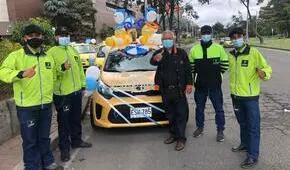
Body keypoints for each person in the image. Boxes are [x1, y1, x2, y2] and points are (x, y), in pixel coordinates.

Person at [0, 24, 63, 170]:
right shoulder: (16, 56)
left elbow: (53, 77)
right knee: (30, 140)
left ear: (42, 37)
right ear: (25, 38)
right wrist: (21, 74)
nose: (35, 38)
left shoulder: (48, 57)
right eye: (31, 35)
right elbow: (2, 72)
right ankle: (32, 166)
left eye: (38, 35)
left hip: (46, 105)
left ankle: (48, 163)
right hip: (27, 107)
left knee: (44, 137)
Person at [228, 27, 272, 169]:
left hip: (250, 97)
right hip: (236, 96)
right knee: (242, 123)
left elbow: (267, 68)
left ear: (244, 37)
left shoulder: (253, 53)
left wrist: (263, 73)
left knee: (253, 126)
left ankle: (252, 155)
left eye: (238, 36)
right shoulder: (231, 55)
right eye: (233, 37)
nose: (236, 39)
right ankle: (244, 144)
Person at [47, 27, 92, 162]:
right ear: (56, 37)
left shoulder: (73, 50)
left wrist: (83, 85)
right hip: (62, 94)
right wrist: (61, 68)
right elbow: (50, 74)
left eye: (66, 35)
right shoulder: (51, 53)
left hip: (76, 91)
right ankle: (64, 150)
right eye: (62, 35)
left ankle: (77, 141)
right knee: (64, 123)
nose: (65, 37)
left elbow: (79, 70)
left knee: (76, 119)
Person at [150, 30, 193, 151]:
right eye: (165, 39)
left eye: (169, 38)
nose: (167, 41)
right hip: (165, 90)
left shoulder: (181, 53)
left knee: (181, 114)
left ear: (173, 40)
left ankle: (181, 139)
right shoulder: (160, 53)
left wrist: (189, 84)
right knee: (170, 115)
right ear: (162, 41)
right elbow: (152, 62)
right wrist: (155, 59)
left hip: (179, 90)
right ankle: (173, 135)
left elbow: (188, 70)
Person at [189, 25, 229, 142]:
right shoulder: (194, 50)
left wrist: (216, 75)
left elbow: (225, 65)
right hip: (200, 86)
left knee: (219, 109)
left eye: (208, 33)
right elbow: (191, 68)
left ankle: (220, 130)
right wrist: (194, 80)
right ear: (200, 35)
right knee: (199, 108)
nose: (206, 35)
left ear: (211, 34)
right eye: (203, 33)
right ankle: (200, 128)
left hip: (215, 85)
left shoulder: (219, 48)